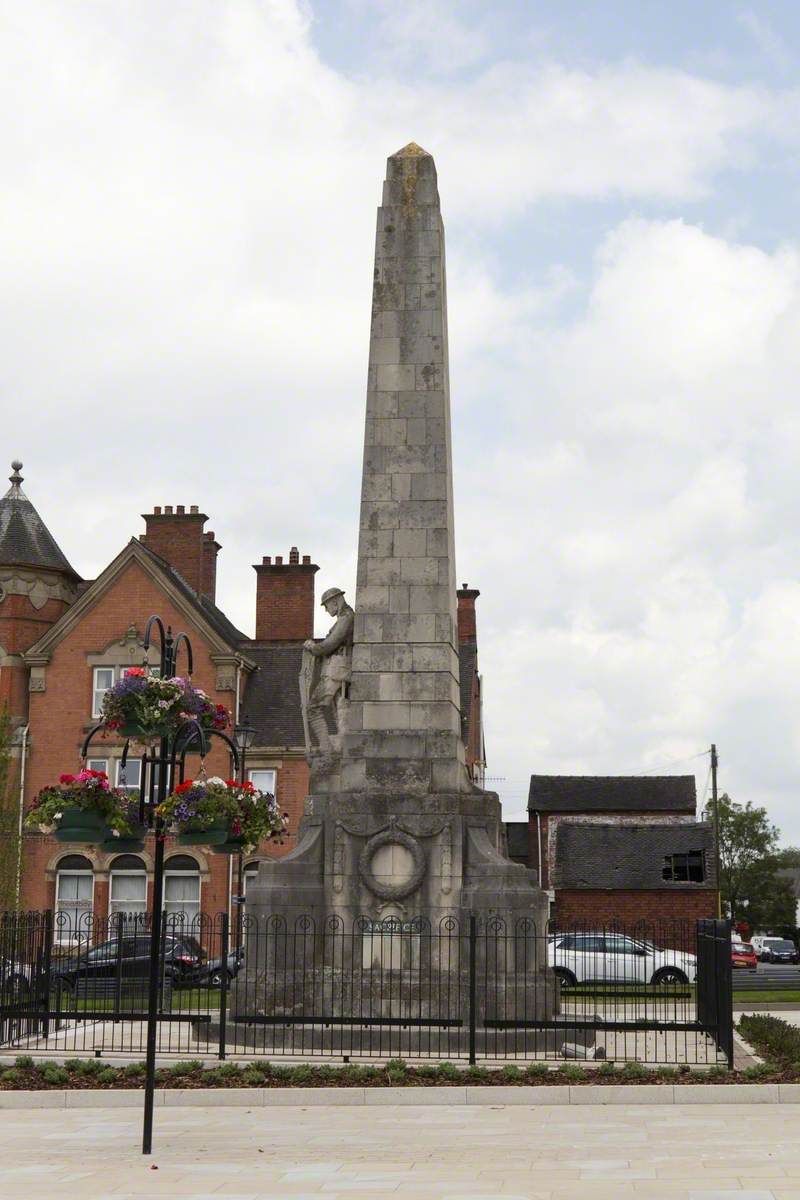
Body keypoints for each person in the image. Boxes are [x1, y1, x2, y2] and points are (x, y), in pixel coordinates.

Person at [301, 587, 354, 752]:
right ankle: (337, 744)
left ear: (336, 601)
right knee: (339, 707)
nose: (326, 609)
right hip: (336, 668)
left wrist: (313, 647)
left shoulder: (347, 617)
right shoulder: (344, 618)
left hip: (337, 669)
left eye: (327, 605)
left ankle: (326, 747)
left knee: (313, 707)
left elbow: (331, 643)